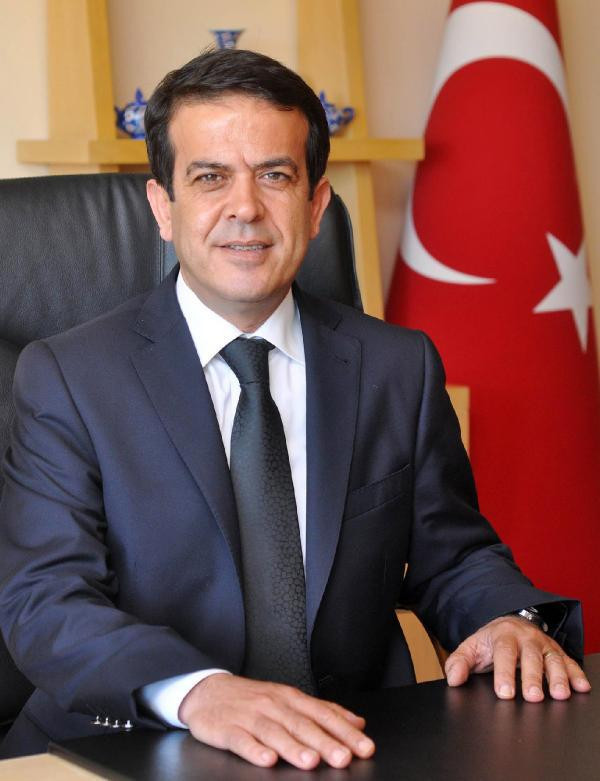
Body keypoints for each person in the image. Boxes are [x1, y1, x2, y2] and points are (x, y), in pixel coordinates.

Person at [0, 49, 590, 769]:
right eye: (210, 177)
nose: (245, 208)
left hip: (346, 742)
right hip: (128, 744)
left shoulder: (396, 367)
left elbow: (453, 554)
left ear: (315, 206)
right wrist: (198, 691)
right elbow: (46, 600)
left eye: (274, 175)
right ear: (162, 207)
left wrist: (507, 619)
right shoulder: (69, 377)